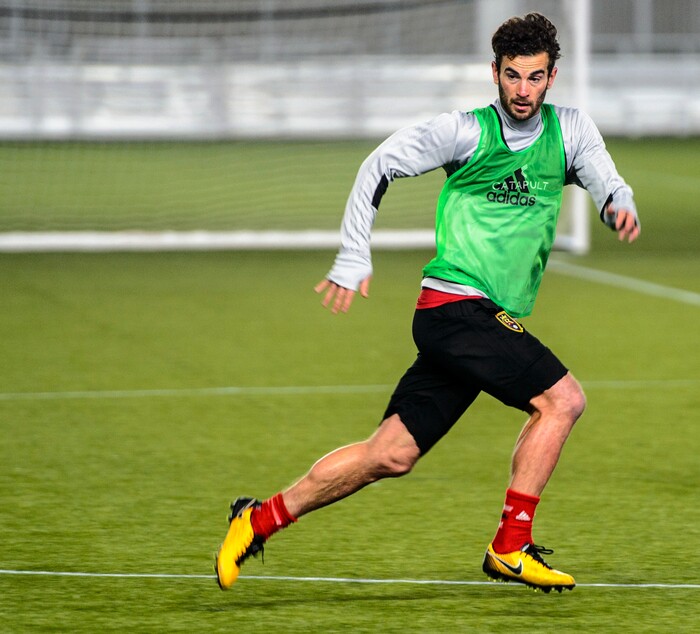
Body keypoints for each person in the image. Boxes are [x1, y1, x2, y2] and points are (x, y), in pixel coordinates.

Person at [215, 12, 639, 593]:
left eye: (535, 77)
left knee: (388, 454)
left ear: (552, 76)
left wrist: (618, 202)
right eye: (512, 76)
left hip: (473, 320)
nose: (522, 90)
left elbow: (604, 177)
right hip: (456, 308)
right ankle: (510, 546)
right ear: (494, 72)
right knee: (561, 401)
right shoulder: (463, 131)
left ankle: (256, 519)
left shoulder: (571, 130)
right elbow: (378, 165)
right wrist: (353, 254)